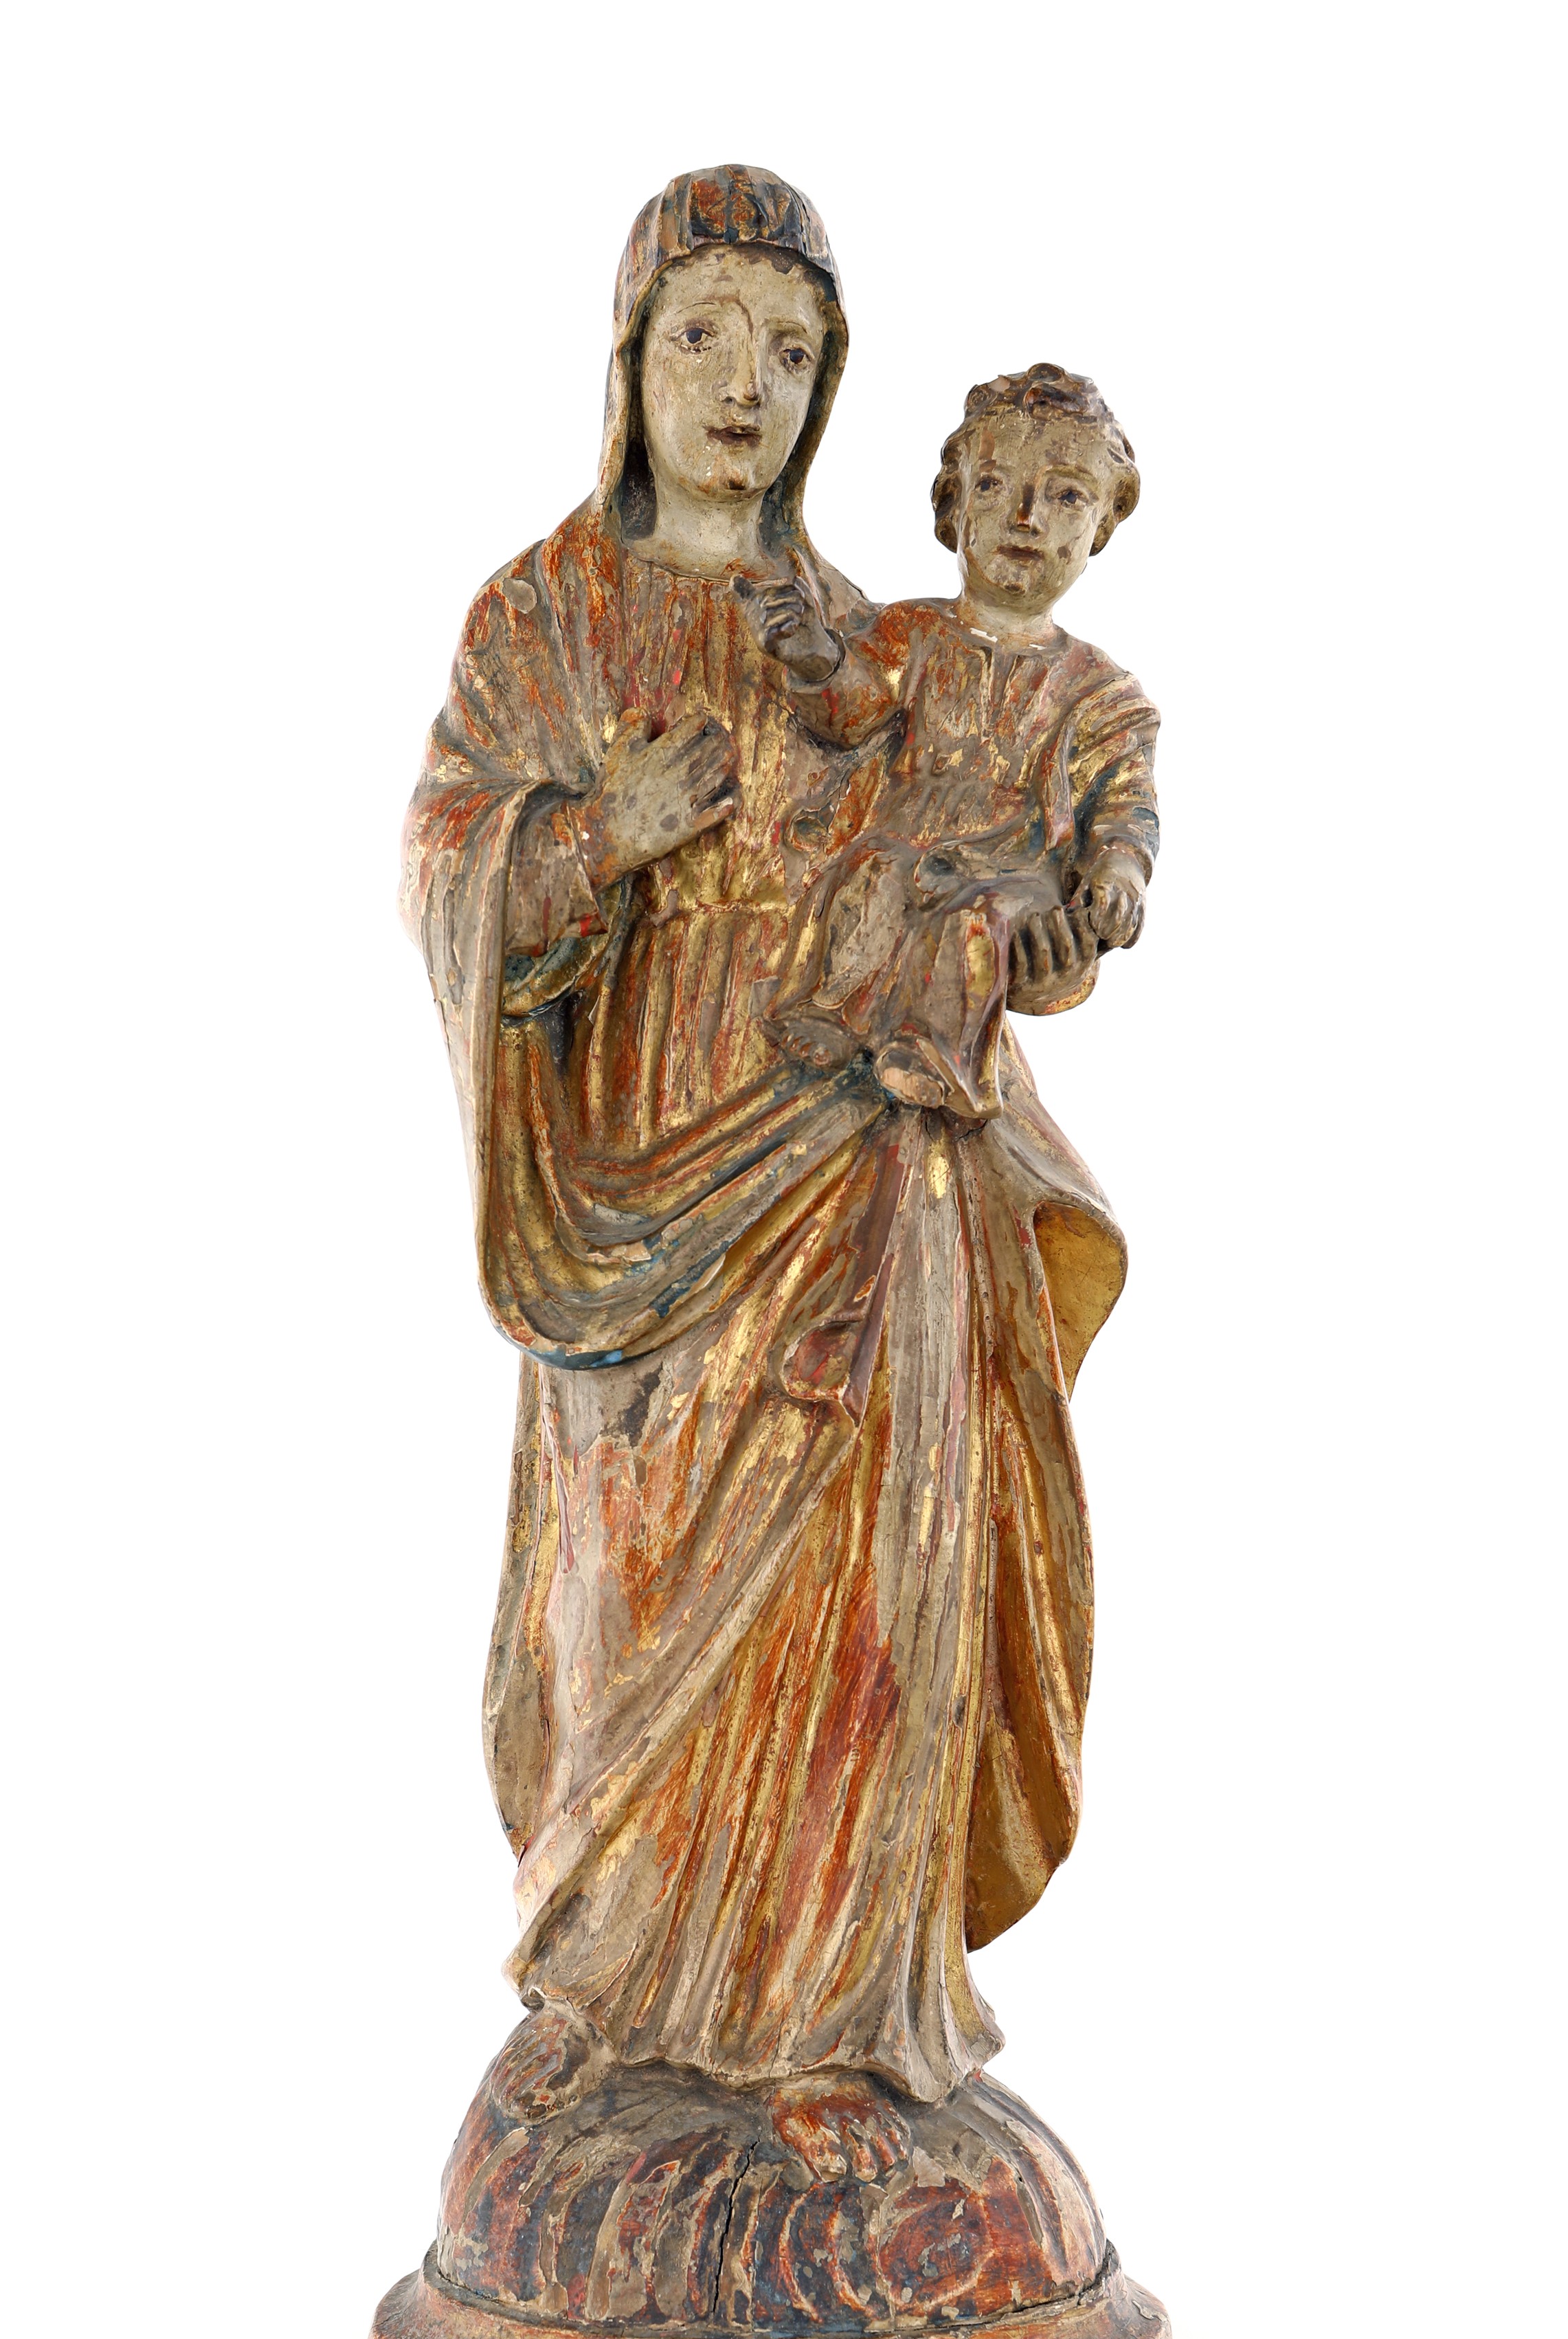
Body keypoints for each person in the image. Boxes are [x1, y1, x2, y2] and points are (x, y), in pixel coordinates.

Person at [401, 174, 1130, 2166]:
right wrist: (592, 834)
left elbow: (999, 847)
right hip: (634, 1191)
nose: (749, 385)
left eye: (793, 350)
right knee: (628, 1590)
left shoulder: (868, 641)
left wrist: (1041, 901)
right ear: (632, 355)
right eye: (707, 336)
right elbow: (449, 860)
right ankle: (608, 1988)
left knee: (855, 1607)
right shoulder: (543, 612)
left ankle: (829, 2019)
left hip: (868, 1183)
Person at [732, 362, 1159, 1124]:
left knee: (977, 925)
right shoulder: (910, 631)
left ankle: (937, 1056)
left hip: (1012, 874)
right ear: (953, 507)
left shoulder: (1103, 694)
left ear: (1101, 525)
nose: (1026, 518)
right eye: (994, 487)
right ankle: (834, 1012)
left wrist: (1117, 877)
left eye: (1065, 496)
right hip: (904, 840)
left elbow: (1125, 809)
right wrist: (815, 656)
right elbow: (855, 709)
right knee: (871, 875)